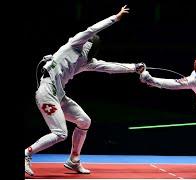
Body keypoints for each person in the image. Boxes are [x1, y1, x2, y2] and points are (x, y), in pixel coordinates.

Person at [25, 5, 146, 176]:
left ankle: (73, 160)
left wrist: (134, 67)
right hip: (46, 93)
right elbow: (91, 30)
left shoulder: (86, 61)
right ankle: (26, 154)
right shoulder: (75, 44)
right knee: (60, 133)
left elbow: (109, 67)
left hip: (58, 95)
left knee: (84, 121)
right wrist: (115, 18)